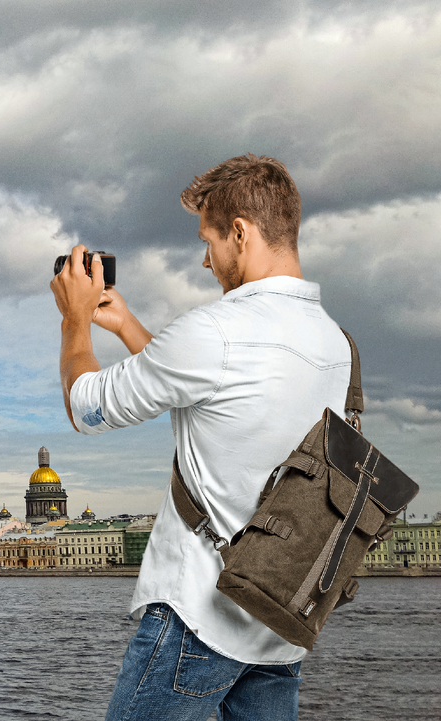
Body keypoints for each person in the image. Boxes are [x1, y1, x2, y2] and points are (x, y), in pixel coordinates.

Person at [50, 154, 351, 720]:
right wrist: (126, 327)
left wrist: (76, 320)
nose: (206, 259)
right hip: (278, 618)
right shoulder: (337, 343)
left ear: (240, 233)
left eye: (208, 240)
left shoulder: (216, 331)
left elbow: (86, 407)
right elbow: (216, 402)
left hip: (200, 615)